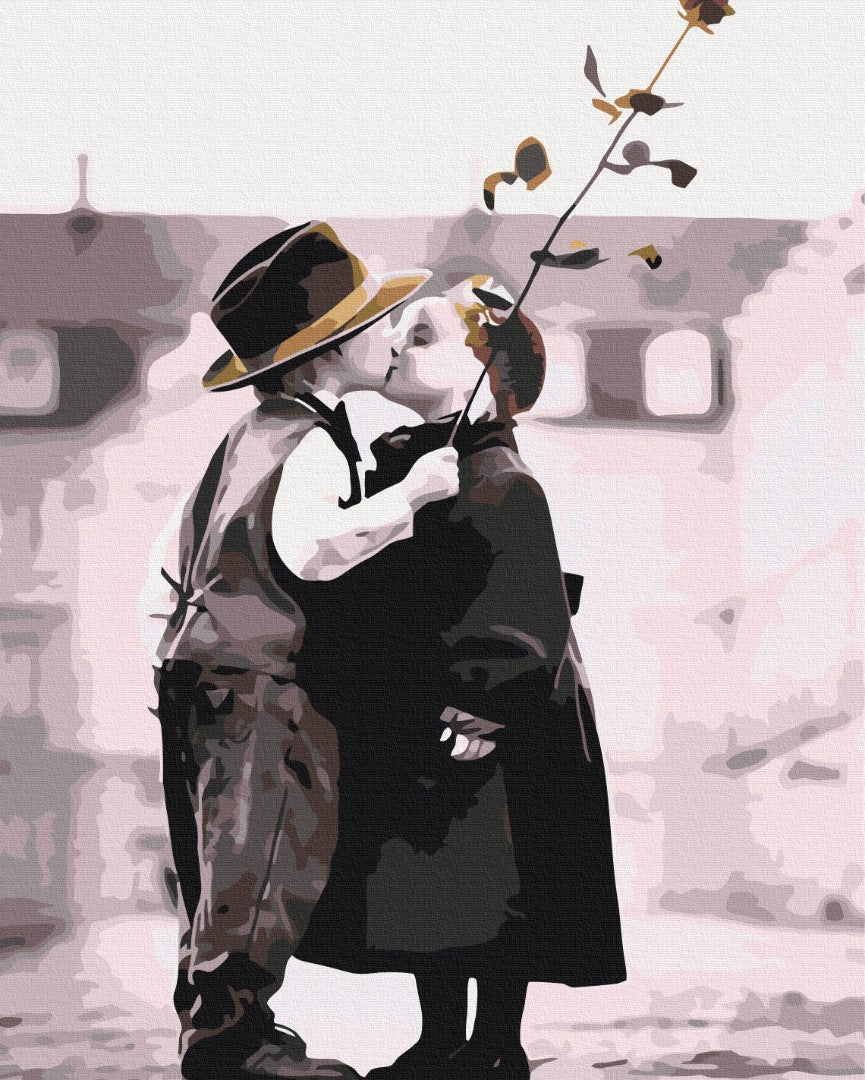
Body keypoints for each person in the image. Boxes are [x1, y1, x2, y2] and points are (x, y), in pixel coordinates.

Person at [291, 277, 628, 1079]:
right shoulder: (416, 473)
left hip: (494, 719)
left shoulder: (501, 479)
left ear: (484, 367)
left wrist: (480, 706)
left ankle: (496, 1043)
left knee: (499, 882)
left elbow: (522, 608)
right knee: (430, 885)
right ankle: (440, 1036)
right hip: (424, 711)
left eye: (422, 335)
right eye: (399, 333)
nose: (396, 346)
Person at [151, 221, 460, 1079]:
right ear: (327, 353)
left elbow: (172, 564)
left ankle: (222, 1028)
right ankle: (234, 1045)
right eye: (369, 323)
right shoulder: (311, 440)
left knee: (216, 864)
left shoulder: (246, 438)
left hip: (199, 670)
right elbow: (310, 549)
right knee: (263, 857)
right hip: (261, 679)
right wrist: (411, 497)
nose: (387, 334)